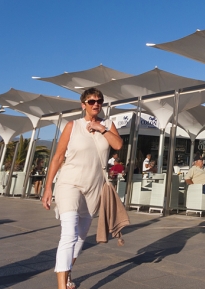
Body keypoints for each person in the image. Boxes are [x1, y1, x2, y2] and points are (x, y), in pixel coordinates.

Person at [42, 88, 123, 289]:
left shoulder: (108, 124)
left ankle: (67, 274)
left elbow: (118, 145)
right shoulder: (73, 125)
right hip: (69, 182)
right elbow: (58, 157)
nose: (96, 104)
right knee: (69, 233)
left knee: (80, 237)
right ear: (83, 105)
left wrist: (100, 128)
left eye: (99, 101)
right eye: (91, 101)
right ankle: (61, 287)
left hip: (94, 187)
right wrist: (48, 187)